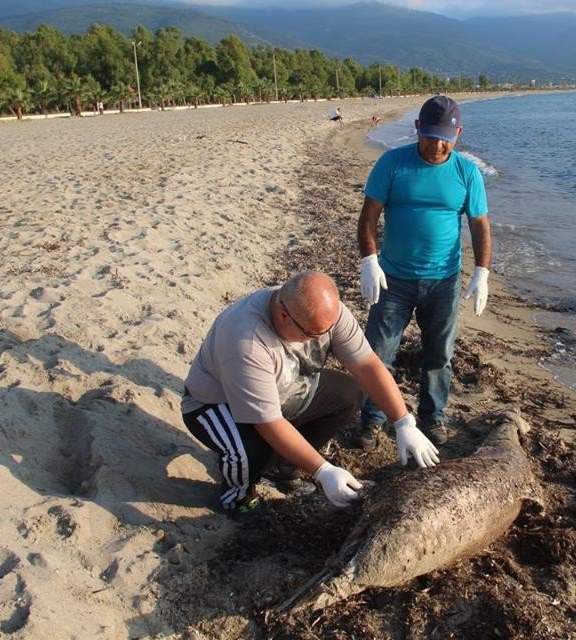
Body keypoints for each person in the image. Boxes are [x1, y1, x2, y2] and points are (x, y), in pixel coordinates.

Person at [181, 271, 439, 518]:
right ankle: (237, 496)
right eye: (313, 334)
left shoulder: (326, 314)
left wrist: (404, 422)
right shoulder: (246, 340)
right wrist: (322, 470)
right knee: (253, 451)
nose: (322, 338)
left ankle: (285, 468)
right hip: (214, 405)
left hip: (285, 389)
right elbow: (267, 422)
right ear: (284, 316)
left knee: (348, 394)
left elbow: (367, 365)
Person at [356, 95, 492, 450]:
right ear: (417, 129)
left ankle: (433, 417)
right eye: (431, 135)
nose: (437, 144)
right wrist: (369, 261)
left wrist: (482, 272)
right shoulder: (392, 163)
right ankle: (372, 420)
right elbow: (368, 216)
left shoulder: (467, 172)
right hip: (393, 279)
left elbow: (479, 225)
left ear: (458, 133)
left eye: (445, 137)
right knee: (378, 352)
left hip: (443, 281)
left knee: (439, 355)